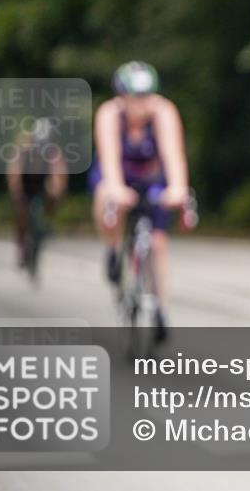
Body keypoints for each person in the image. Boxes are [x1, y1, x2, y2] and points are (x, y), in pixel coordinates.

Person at [89, 61, 190, 341]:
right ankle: (112, 247)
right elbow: (109, 159)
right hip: (118, 174)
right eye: (135, 97)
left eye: (146, 96)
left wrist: (178, 188)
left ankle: (160, 309)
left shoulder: (164, 112)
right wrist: (116, 189)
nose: (141, 104)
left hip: (151, 177)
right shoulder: (109, 114)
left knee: (158, 243)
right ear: (122, 96)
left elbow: (174, 155)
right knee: (105, 197)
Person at [6, 117, 68, 268]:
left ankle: (47, 220)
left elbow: (59, 173)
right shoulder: (24, 147)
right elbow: (14, 170)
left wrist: (57, 191)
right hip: (26, 180)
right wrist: (16, 189)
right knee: (21, 212)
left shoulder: (53, 151)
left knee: (53, 196)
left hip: (42, 181)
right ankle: (21, 246)